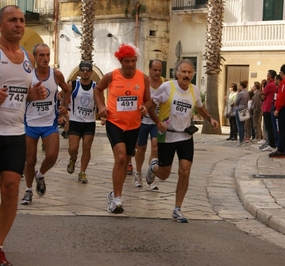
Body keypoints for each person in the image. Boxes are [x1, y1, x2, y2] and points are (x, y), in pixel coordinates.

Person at [0, 5, 47, 265]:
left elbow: (23, 93)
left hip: (15, 133)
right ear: (1, 25)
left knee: (10, 189)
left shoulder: (28, 58)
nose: (19, 24)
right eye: (12, 20)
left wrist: (33, 95)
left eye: (21, 20)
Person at [145, 59, 219, 223]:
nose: (186, 75)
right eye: (183, 72)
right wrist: (158, 122)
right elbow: (151, 104)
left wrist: (210, 119)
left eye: (189, 72)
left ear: (193, 74)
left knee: (185, 171)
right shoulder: (167, 87)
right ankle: (153, 167)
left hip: (185, 136)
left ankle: (177, 209)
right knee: (164, 174)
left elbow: (200, 108)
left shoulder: (194, 90)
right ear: (176, 73)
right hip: (167, 135)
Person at [94, 43, 153, 214]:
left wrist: (145, 107)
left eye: (133, 61)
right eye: (127, 61)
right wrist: (101, 106)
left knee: (126, 161)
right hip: (115, 123)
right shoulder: (111, 76)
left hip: (134, 125)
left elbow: (148, 100)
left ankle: (113, 193)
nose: (130, 64)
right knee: (120, 158)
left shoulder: (143, 78)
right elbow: (97, 90)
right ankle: (117, 200)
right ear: (121, 61)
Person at [21, 43, 69, 205]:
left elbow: (67, 89)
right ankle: (28, 191)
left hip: (50, 122)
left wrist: (65, 106)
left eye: (48, 55)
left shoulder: (56, 75)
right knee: (30, 159)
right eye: (41, 55)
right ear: (35, 58)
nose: (45, 58)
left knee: (52, 156)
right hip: (30, 123)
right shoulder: (28, 75)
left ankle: (40, 175)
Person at [133, 59, 167, 189]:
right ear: (150, 70)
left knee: (155, 147)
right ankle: (138, 173)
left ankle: (151, 175)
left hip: (156, 121)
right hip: (143, 121)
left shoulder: (165, 83)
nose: (157, 72)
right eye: (155, 70)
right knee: (141, 148)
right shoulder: (143, 81)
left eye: (159, 70)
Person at [66, 61, 97, 184]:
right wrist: (64, 110)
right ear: (79, 71)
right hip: (75, 120)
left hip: (89, 122)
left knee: (87, 147)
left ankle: (82, 172)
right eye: (83, 70)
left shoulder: (96, 86)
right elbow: (65, 98)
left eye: (87, 70)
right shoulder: (72, 85)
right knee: (73, 148)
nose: (85, 72)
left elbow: (101, 101)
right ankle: (73, 159)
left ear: (91, 72)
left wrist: (104, 114)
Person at [260, 70, 277, 152]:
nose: (267, 75)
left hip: (267, 107)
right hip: (271, 106)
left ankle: (271, 144)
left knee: (268, 127)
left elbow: (262, 94)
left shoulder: (269, 85)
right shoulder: (274, 84)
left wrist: (261, 86)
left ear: (270, 75)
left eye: (268, 74)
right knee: (270, 127)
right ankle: (271, 142)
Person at [234, 80, 249, 146]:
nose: (239, 87)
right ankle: (243, 138)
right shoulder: (247, 93)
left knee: (239, 125)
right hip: (244, 109)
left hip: (239, 109)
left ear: (241, 86)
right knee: (242, 125)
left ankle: (241, 140)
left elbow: (236, 102)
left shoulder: (241, 93)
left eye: (239, 86)